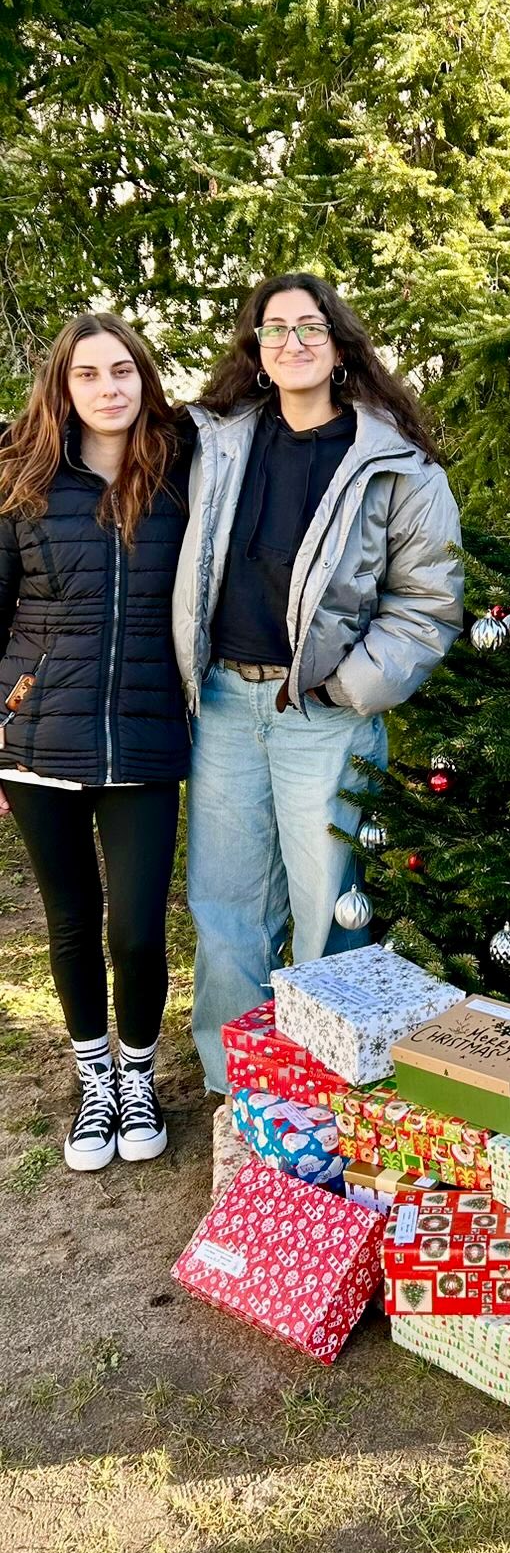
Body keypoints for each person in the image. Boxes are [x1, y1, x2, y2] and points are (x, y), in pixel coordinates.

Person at [173, 273, 462, 1094]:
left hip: (321, 715)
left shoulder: (393, 465)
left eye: (310, 328)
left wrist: (348, 687)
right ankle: (242, 1096)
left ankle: (328, 1094)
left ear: (339, 348)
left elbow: (427, 602)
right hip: (225, 703)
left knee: (326, 911)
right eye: (275, 330)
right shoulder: (218, 443)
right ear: (257, 353)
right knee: (226, 907)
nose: (292, 342)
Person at [0, 313, 191, 1170]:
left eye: (123, 371)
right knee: (72, 923)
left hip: (146, 737)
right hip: (36, 735)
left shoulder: (183, 476)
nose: (108, 388)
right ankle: (94, 1080)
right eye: (88, 375)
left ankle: (140, 1073)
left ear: (144, 380)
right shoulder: (22, 482)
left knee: (140, 930)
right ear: (63, 388)